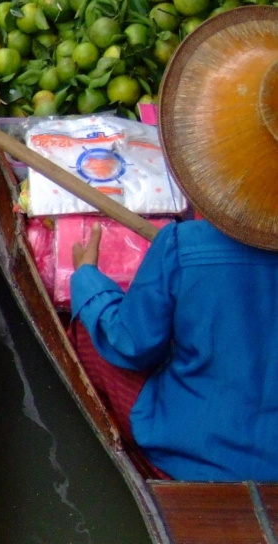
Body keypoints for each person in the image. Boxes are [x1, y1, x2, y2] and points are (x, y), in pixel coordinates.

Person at [68, 7, 278, 482]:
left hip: (189, 449)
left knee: (91, 331)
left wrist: (88, 279)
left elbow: (132, 345)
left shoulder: (184, 247)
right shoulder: (186, 247)